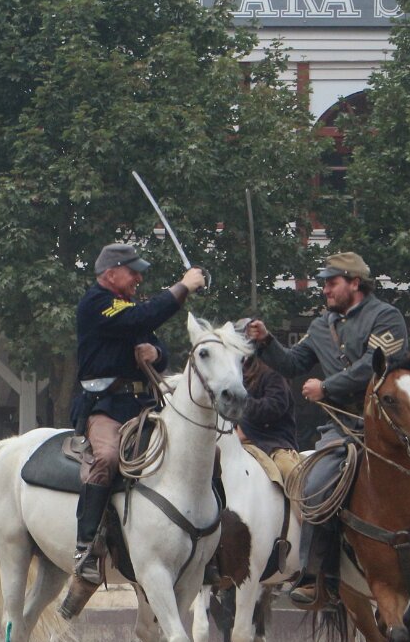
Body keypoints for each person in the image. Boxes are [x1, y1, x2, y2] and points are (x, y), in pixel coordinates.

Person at [244, 251, 410, 606]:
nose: (325, 290)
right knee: (314, 487)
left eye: (332, 283)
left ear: (355, 282)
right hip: (345, 426)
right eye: (324, 284)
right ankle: (316, 575)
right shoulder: (321, 325)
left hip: (398, 421)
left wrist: (326, 387)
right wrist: (267, 341)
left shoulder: (386, 317)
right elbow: (293, 363)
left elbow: (374, 366)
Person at [69, 241, 206, 584]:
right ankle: (86, 547)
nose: (138, 279)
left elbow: (156, 342)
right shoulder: (96, 303)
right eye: (133, 272)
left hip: (145, 405)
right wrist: (183, 287)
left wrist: (156, 354)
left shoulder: (126, 306)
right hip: (106, 407)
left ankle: (207, 543)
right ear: (111, 273)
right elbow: (141, 318)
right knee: (107, 457)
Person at [232, 332, 301, 482]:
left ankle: (302, 498)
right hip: (233, 441)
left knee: (289, 471)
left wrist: (243, 404)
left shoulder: (273, 371)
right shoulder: (232, 374)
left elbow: (275, 406)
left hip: (271, 442)